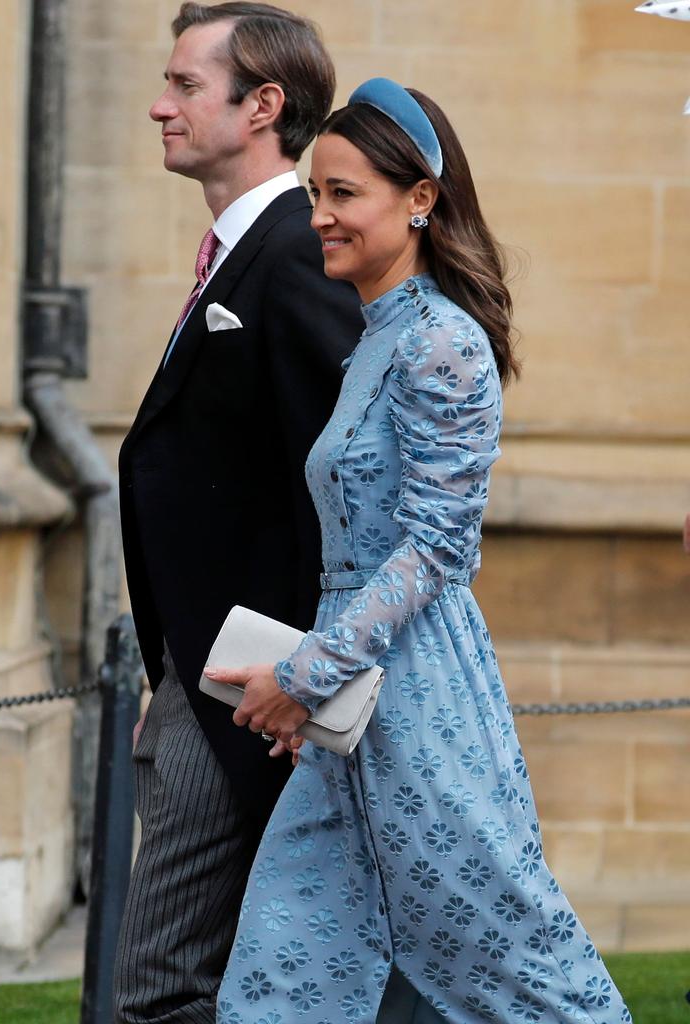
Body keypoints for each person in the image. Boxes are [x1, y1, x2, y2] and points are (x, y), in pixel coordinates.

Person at [211, 79, 632, 1023]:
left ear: (420, 200)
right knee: (282, 980)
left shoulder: (443, 341)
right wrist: (310, 685)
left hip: (419, 708)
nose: (317, 216)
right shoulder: (379, 338)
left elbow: (438, 547)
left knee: (516, 970)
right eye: (315, 192)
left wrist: (308, 671)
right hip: (351, 711)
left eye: (341, 194)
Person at [114, 5, 362, 1022]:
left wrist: (302, 676)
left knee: (161, 991)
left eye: (182, 85)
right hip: (198, 669)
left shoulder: (297, 251)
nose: (158, 106)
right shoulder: (236, 251)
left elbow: (342, 486)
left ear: (263, 106)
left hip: (249, 689)